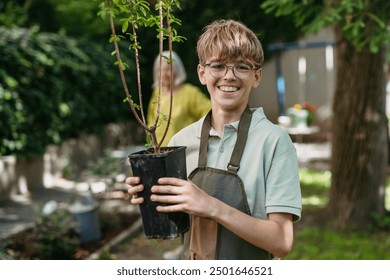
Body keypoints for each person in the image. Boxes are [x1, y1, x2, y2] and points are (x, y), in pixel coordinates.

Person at [127, 19, 302, 260]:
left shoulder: (274, 142)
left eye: (242, 67)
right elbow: (163, 236)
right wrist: (148, 201)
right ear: (202, 73)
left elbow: (281, 242)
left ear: (257, 76)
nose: (229, 76)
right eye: (218, 66)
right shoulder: (182, 140)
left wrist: (211, 206)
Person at [147, 50, 211, 147]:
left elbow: (211, 112)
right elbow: (150, 119)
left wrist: (199, 136)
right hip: (159, 152)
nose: (164, 74)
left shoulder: (190, 93)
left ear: (177, 70)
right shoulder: (157, 93)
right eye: (160, 70)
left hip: (183, 151)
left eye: (168, 69)